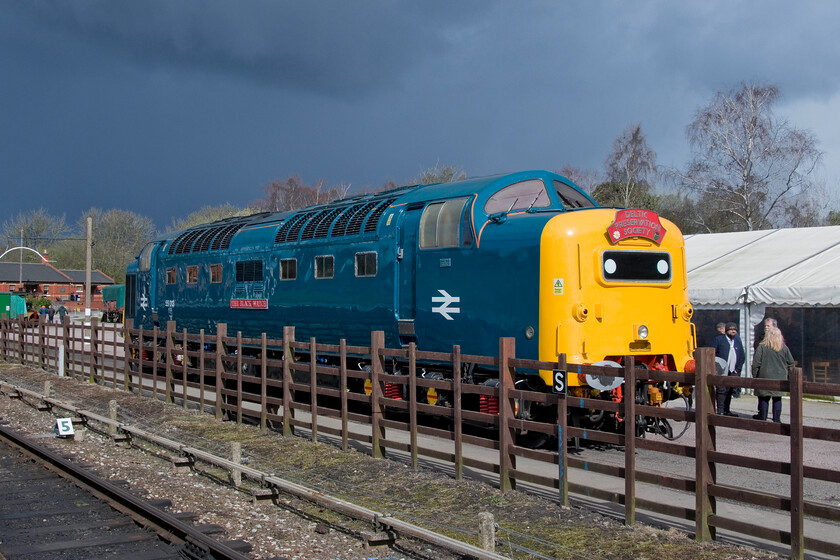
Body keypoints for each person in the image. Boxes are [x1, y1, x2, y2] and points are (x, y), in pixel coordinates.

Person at [751, 325, 795, 422]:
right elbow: (791, 363)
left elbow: (756, 364)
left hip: (764, 376)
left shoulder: (761, 347)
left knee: (763, 398)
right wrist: (788, 377)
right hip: (780, 378)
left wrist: (755, 377)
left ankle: (762, 417)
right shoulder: (784, 348)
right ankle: (776, 419)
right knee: (777, 398)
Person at [713, 322, 745, 416]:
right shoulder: (719, 340)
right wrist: (716, 368)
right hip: (721, 370)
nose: (733, 331)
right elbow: (712, 354)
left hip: (733, 371)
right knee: (721, 390)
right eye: (731, 330)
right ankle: (720, 410)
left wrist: (737, 370)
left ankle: (727, 410)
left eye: (734, 330)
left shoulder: (737, 341)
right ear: (726, 331)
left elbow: (742, 356)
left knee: (730, 390)